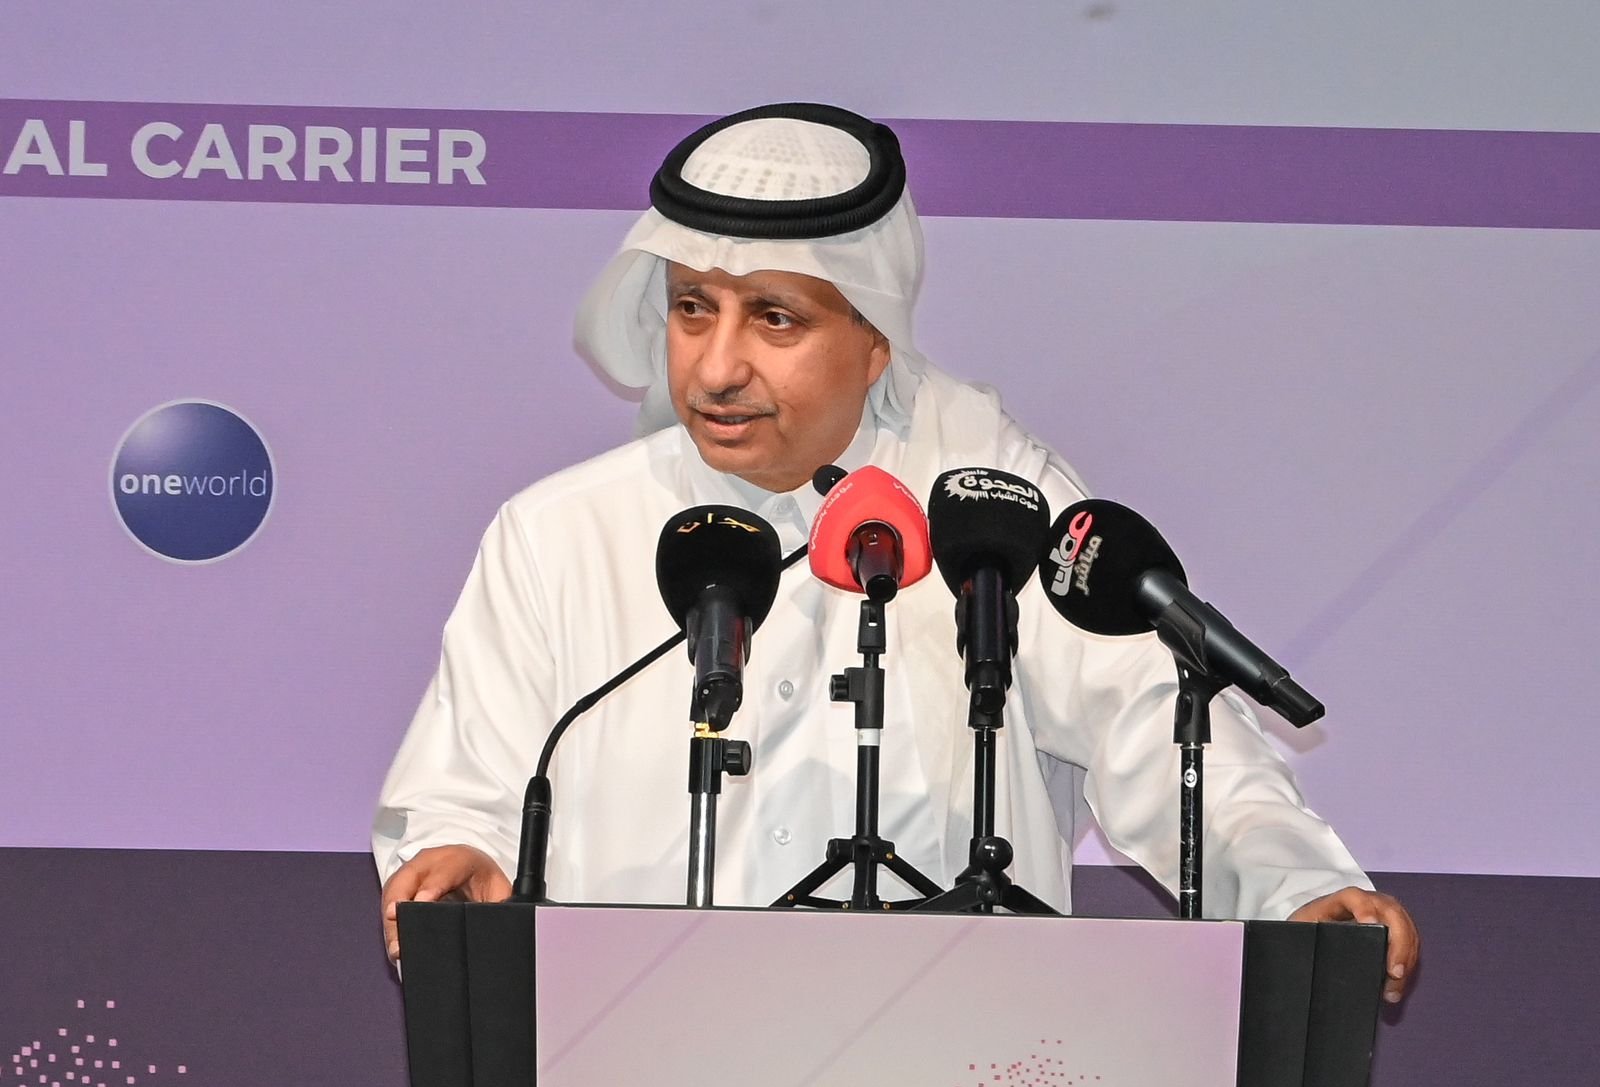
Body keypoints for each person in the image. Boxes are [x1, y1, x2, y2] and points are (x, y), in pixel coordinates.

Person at [374, 103, 1419, 999]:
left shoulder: (990, 510)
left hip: (946, 1071)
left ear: (873, 343)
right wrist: (457, 853)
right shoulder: (561, 533)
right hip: (632, 1053)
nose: (716, 366)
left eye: (774, 319)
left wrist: (1293, 885)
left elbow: (1162, 729)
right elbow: (468, 784)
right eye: (693, 309)